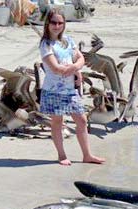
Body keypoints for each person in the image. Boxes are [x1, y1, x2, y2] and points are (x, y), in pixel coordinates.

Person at [39, 8, 105, 166]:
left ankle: (87, 155)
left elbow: (80, 58)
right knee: (57, 122)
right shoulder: (45, 44)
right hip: (54, 90)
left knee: (81, 120)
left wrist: (75, 68)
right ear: (48, 24)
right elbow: (55, 68)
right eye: (53, 22)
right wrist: (74, 69)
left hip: (70, 90)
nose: (57, 26)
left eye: (60, 23)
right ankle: (61, 155)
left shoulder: (68, 40)